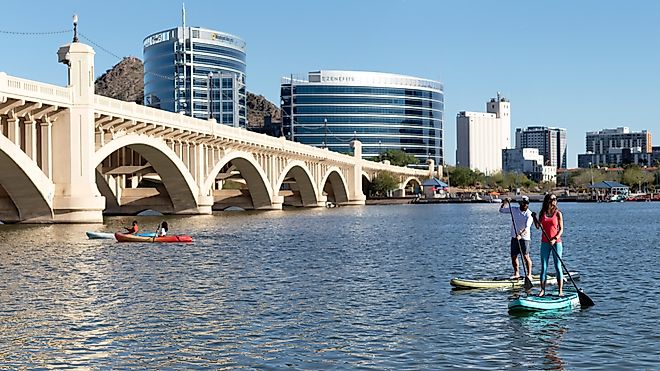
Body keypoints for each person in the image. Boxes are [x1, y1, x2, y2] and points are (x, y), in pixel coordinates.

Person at [533, 193, 564, 296]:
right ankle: (542, 290)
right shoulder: (543, 213)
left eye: (555, 199)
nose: (554, 201)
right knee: (544, 267)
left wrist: (555, 239)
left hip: (556, 243)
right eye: (552, 199)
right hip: (545, 242)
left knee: (557, 266)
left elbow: (561, 230)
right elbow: (538, 226)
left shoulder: (558, 213)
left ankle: (560, 291)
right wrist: (534, 218)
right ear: (547, 201)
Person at [499, 196, 534, 280]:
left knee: (526, 256)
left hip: (525, 238)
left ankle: (529, 274)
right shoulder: (514, 210)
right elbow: (501, 210)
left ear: (527, 204)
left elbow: (527, 228)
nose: (524, 205)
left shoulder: (529, 214)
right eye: (522, 203)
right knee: (513, 256)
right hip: (514, 237)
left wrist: (520, 235)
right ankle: (516, 273)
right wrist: (505, 202)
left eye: (525, 204)